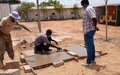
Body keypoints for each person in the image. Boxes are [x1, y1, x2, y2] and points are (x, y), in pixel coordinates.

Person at [81, 0, 99, 66]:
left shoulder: (88, 9)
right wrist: (95, 27)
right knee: (91, 45)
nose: (82, 7)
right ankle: (92, 59)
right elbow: (93, 19)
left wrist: (95, 26)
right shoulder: (91, 8)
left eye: (82, 5)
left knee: (88, 47)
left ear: (85, 3)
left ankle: (89, 62)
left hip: (88, 31)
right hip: (90, 30)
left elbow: (94, 18)